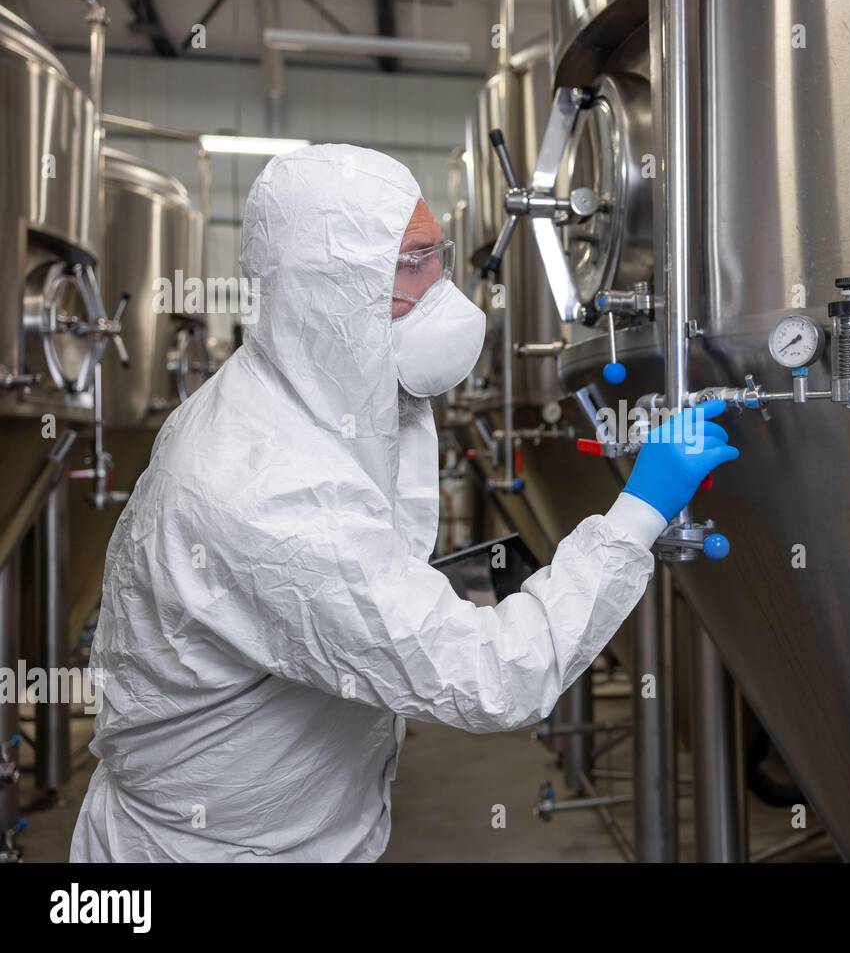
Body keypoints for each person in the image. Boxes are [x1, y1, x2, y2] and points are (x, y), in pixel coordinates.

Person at [70, 144, 737, 861]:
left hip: (306, 829)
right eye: (413, 262)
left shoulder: (301, 394)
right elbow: (495, 676)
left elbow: (351, 578)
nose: (446, 291)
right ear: (329, 290)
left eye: (440, 257)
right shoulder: (264, 485)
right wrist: (640, 507)